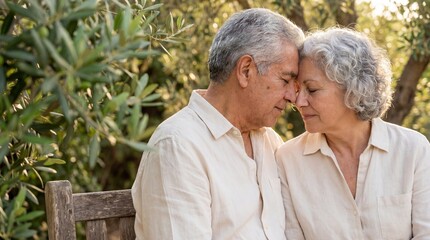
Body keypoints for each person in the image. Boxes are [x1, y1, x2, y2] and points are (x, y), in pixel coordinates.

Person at [131, 8, 304, 240]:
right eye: (285, 80)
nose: (292, 96)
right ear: (245, 70)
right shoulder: (178, 145)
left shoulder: (270, 141)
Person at [276, 27, 430, 239]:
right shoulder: (287, 160)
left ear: (353, 89)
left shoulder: (413, 149)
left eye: (311, 90)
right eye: (297, 90)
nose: (298, 101)